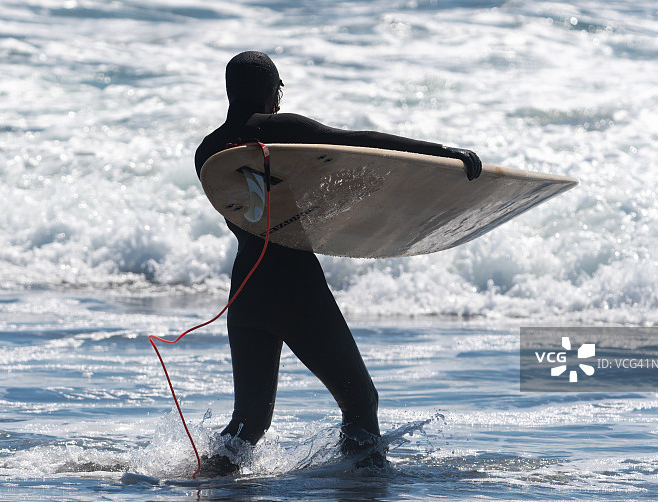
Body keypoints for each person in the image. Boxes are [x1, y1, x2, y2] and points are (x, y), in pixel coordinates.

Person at [194, 51, 480, 476]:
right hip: (295, 287)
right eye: (280, 89)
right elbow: (360, 143)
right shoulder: (282, 129)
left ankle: (204, 480)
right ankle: (366, 487)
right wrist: (439, 153)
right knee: (360, 401)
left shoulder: (208, 152)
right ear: (273, 92)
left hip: (246, 290)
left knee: (250, 422)